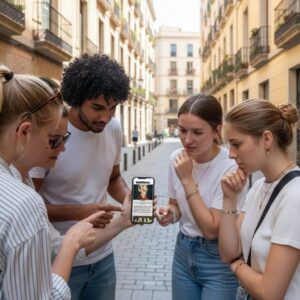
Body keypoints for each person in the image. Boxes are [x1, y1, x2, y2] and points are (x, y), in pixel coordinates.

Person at [32, 54, 130, 300]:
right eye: (97, 108)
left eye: (112, 108)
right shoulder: (53, 134)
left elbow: (113, 178)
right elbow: (31, 204)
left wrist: (131, 198)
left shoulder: (114, 129)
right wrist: (78, 212)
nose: (105, 117)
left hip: (102, 254)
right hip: (59, 259)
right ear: (76, 100)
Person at [0, 65, 103, 299]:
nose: (60, 148)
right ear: (24, 131)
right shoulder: (23, 204)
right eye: (51, 138)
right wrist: (71, 244)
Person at [156, 93, 246, 300]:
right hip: (183, 252)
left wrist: (187, 179)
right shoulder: (175, 159)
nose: (187, 140)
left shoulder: (231, 166)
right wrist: (170, 213)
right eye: (182, 130)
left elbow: (211, 229)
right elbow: (175, 204)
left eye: (197, 132)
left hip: (218, 260)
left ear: (217, 130)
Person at [219, 99, 300, 300]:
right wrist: (229, 199)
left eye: (236, 144)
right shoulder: (258, 187)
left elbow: (269, 292)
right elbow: (229, 251)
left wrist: (237, 266)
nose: (230, 154)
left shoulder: (294, 196)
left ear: (266, 139)